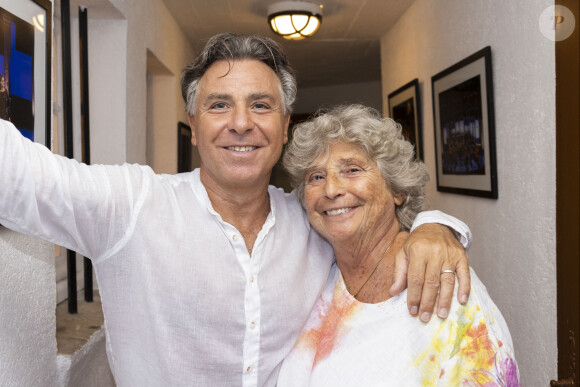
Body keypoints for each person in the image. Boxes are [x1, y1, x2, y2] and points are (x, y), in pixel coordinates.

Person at [0, 33, 470, 386]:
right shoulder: (133, 206)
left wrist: (432, 225)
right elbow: (18, 174)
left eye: (260, 105)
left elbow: (378, 233)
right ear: (194, 124)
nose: (241, 124)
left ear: (285, 126)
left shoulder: (316, 224)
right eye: (219, 105)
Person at [277, 105, 519, 386]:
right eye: (316, 177)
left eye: (352, 170)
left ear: (398, 190)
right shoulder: (315, 276)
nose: (331, 190)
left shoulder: (444, 284)